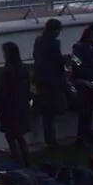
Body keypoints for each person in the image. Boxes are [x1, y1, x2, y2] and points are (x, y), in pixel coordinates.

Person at [0, 41, 32, 167]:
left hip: (10, 110)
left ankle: (19, 163)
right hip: (22, 108)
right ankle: (27, 161)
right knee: (20, 137)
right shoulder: (23, 68)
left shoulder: (6, 72)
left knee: (11, 138)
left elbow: (1, 94)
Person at [32, 18, 70, 148]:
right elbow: (58, 61)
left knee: (46, 113)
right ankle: (51, 141)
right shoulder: (53, 44)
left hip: (40, 79)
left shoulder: (39, 41)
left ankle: (50, 140)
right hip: (52, 81)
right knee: (54, 109)